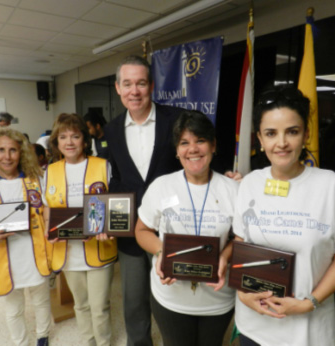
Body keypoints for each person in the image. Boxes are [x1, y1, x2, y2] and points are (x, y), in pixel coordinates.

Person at [232, 86, 335, 346]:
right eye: (271, 133)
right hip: (254, 328)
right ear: (260, 140)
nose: (282, 143)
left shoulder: (332, 186)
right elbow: (241, 244)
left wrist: (310, 303)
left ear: (306, 135)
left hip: (306, 333)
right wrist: (242, 293)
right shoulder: (250, 184)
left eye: (292, 131)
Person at [135, 110, 237, 346]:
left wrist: (224, 257)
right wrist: (161, 253)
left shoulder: (232, 189)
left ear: (213, 145)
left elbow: (241, 237)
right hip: (170, 298)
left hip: (217, 299)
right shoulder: (162, 186)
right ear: (177, 150)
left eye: (200, 140)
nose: (192, 149)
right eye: (184, 143)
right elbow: (141, 230)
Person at [105, 55, 184, 346]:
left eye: (140, 83)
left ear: (151, 85)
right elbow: (116, 179)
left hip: (172, 228)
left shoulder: (175, 119)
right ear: (117, 88)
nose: (134, 91)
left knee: (172, 298)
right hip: (130, 233)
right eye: (127, 84)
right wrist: (104, 217)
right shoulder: (111, 130)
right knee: (134, 301)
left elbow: (192, 161)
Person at [44, 113, 117, 346]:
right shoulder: (50, 171)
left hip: (99, 246)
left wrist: (109, 226)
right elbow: (47, 208)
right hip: (67, 251)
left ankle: (103, 343)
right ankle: (89, 342)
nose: (69, 142)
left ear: (85, 141)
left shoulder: (103, 166)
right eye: (63, 137)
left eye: (75, 136)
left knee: (100, 306)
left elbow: (115, 204)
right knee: (80, 304)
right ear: (56, 142)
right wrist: (49, 229)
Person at [0, 128, 52, 346]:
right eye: (0, 150)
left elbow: (46, 208)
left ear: (22, 153)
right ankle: (21, 342)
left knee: (41, 300)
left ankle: (43, 335)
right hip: (3, 257)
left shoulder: (36, 180)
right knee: (13, 307)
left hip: (35, 252)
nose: (6, 157)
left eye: (12, 150)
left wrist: (49, 225)